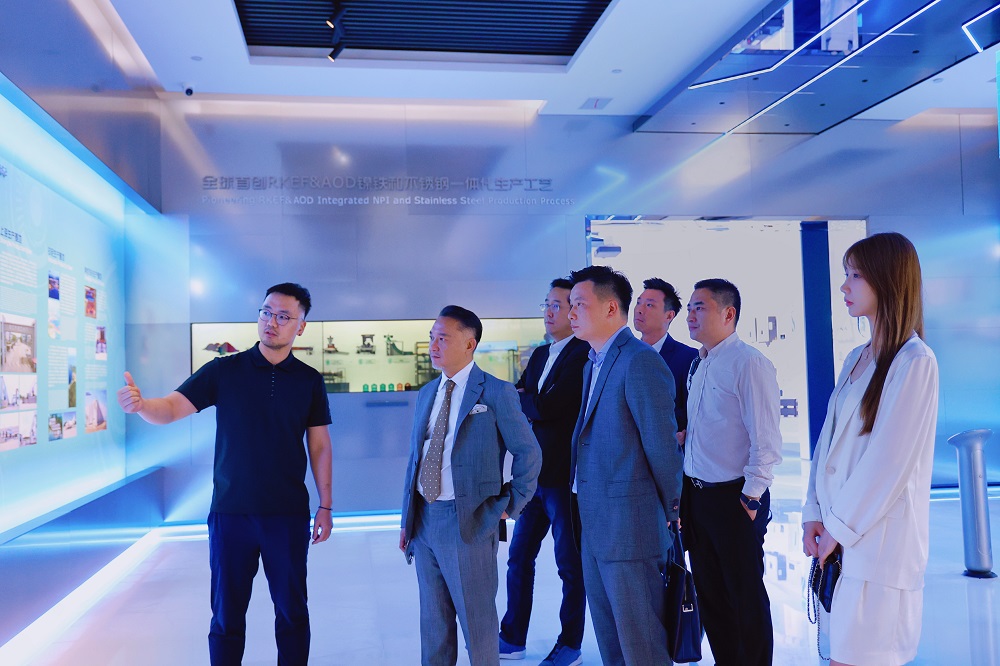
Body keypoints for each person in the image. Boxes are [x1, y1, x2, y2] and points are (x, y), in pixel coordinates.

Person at [116, 282, 333, 666]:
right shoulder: (225, 370)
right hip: (231, 514)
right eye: (266, 312)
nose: (272, 322)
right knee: (226, 617)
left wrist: (326, 505)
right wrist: (142, 405)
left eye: (284, 316)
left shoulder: (309, 380)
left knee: (292, 614)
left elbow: (319, 446)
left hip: (287, 515)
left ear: (301, 326)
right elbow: (171, 408)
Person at [802, 232, 938, 666]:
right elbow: (827, 443)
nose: (844, 286)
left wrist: (837, 529)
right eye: (846, 274)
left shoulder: (915, 362)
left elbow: (889, 463)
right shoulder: (856, 358)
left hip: (878, 547)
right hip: (841, 541)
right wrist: (813, 512)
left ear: (888, 280)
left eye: (856, 275)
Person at [399, 305, 541, 666]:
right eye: (431, 337)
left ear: (469, 343)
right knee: (434, 626)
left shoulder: (496, 392)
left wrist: (510, 504)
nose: (433, 345)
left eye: (443, 338)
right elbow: (416, 458)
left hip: (469, 520)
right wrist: (407, 520)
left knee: (477, 627)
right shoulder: (427, 393)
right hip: (424, 521)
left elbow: (528, 452)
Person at [567, 265, 682, 666]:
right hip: (595, 524)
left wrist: (672, 511)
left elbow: (662, 447)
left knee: (642, 645)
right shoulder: (593, 363)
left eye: (579, 304)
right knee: (612, 643)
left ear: (611, 308)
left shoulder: (639, 362)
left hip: (631, 528)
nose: (571, 313)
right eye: (570, 305)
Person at [682, 277, 782, 666]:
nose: (691, 315)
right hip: (698, 497)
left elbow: (766, 439)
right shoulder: (701, 363)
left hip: (736, 498)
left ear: (729, 314)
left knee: (744, 596)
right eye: (689, 308)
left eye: (700, 307)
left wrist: (751, 495)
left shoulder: (749, 363)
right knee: (711, 594)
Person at [500, 278, 589, 666]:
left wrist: (530, 402)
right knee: (518, 557)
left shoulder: (582, 354)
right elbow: (517, 398)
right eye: (547, 305)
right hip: (532, 478)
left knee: (570, 566)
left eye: (557, 305)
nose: (549, 312)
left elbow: (552, 407)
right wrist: (531, 401)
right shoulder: (539, 354)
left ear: (574, 311)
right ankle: (512, 636)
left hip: (564, 479)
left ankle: (570, 643)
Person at [633, 277, 698, 433]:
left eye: (649, 305)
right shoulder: (624, 355)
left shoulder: (688, 357)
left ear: (669, 316)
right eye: (638, 302)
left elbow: (691, 410)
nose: (639, 309)